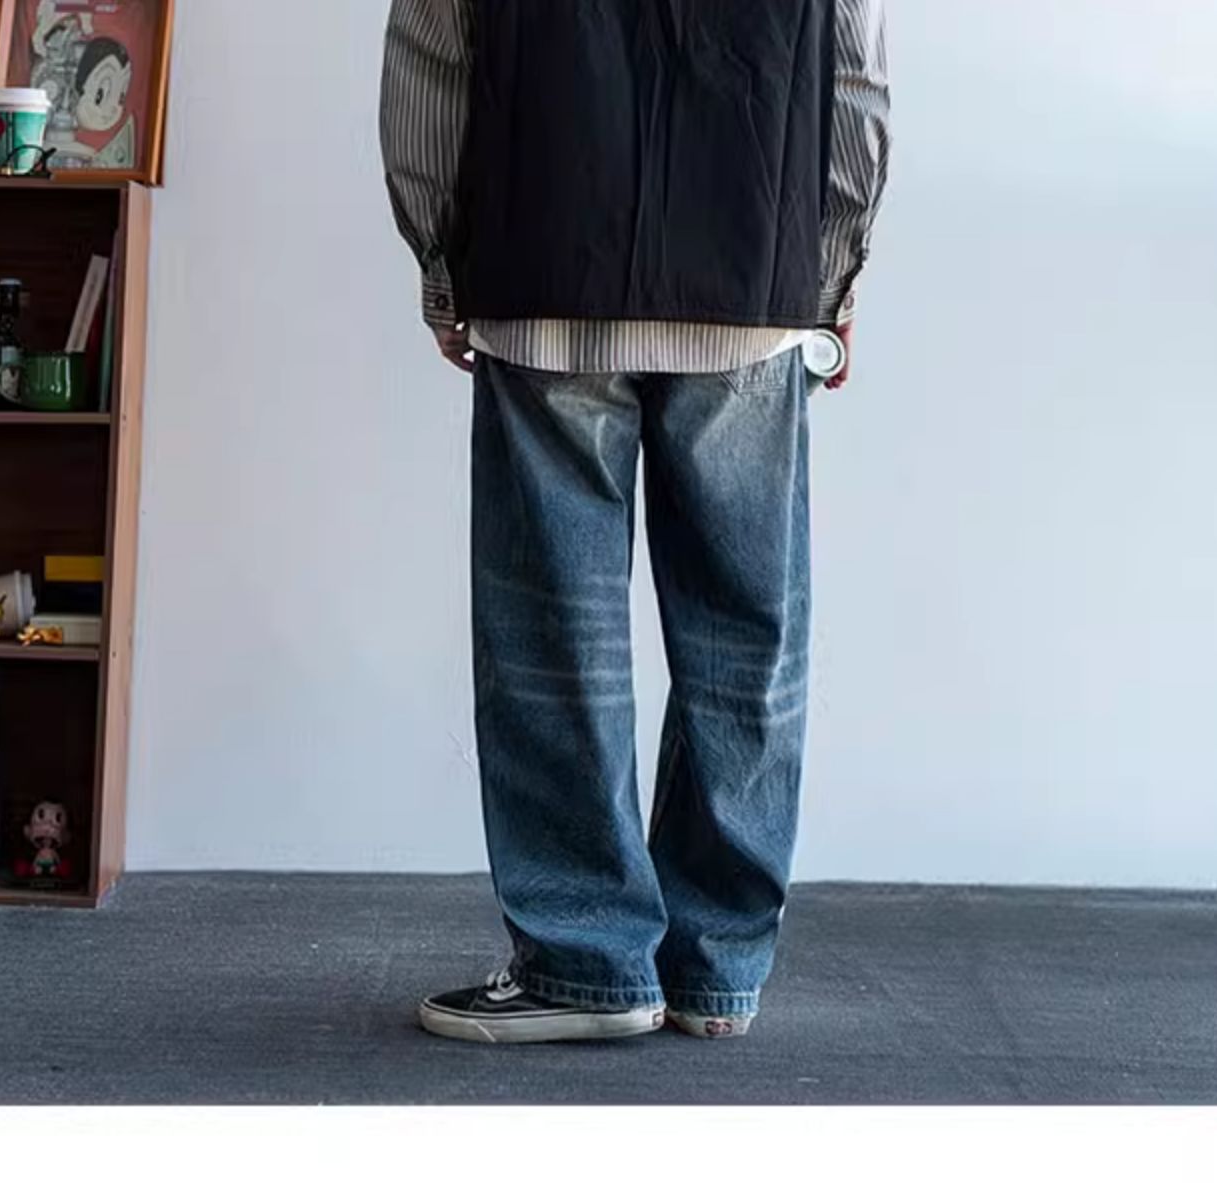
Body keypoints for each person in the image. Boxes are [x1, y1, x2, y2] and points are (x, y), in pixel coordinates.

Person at [380, 0, 891, 1044]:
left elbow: (430, 53)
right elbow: (857, 74)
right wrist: (828, 273)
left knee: (552, 636)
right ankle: (714, 966)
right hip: (753, 266)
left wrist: (442, 262)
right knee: (744, 634)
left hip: (542, 253)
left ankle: (587, 963)